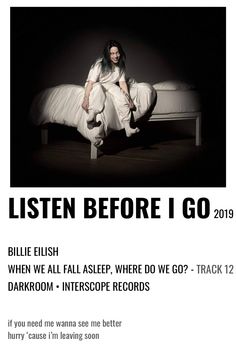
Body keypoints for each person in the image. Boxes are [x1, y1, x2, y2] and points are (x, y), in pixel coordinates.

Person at [81, 40, 140, 146]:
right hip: (95, 84)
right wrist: (85, 99)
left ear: (120, 53)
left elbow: (122, 83)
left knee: (121, 95)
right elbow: (91, 83)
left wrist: (129, 99)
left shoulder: (120, 66)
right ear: (108, 54)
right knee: (98, 88)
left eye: (117, 53)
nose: (115, 56)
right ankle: (91, 116)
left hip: (109, 85)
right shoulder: (99, 64)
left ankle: (127, 127)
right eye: (112, 53)